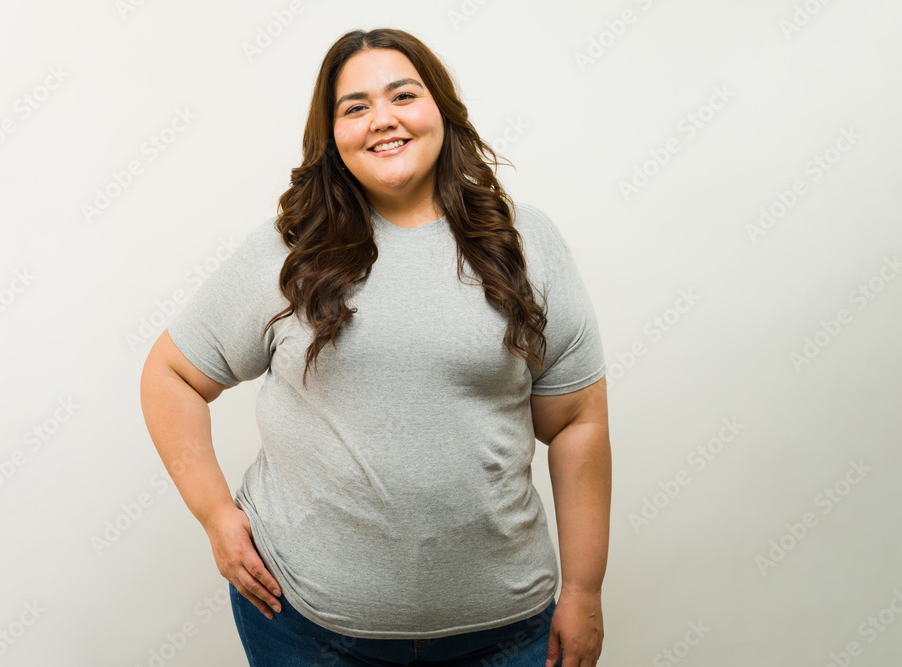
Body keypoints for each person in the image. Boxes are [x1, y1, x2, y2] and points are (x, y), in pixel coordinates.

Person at [140, 27, 611, 667]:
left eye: (403, 96)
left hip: (504, 631)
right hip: (306, 626)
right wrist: (216, 514)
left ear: (440, 108)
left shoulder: (525, 242)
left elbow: (578, 422)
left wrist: (584, 591)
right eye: (354, 107)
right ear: (332, 135)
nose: (381, 120)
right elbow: (171, 374)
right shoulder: (290, 252)